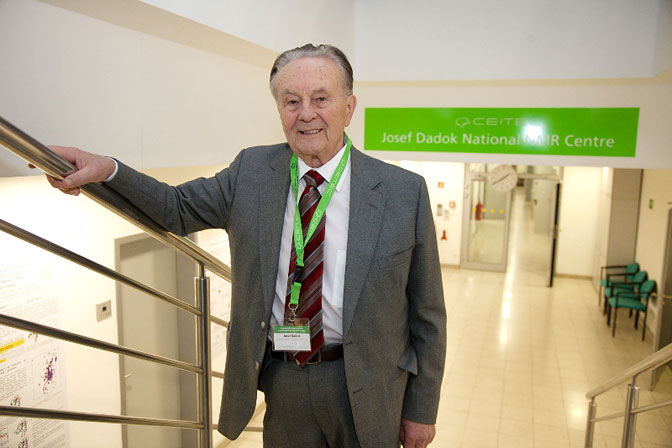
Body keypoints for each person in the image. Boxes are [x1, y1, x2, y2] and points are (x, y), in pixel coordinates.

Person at [45, 44, 446, 448]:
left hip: (371, 385)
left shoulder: (402, 192)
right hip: (285, 380)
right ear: (279, 110)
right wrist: (107, 172)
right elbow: (175, 208)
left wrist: (421, 411)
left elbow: (428, 315)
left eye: (320, 98)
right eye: (291, 101)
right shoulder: (252, 172)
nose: (306, 113)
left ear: (349, 105)